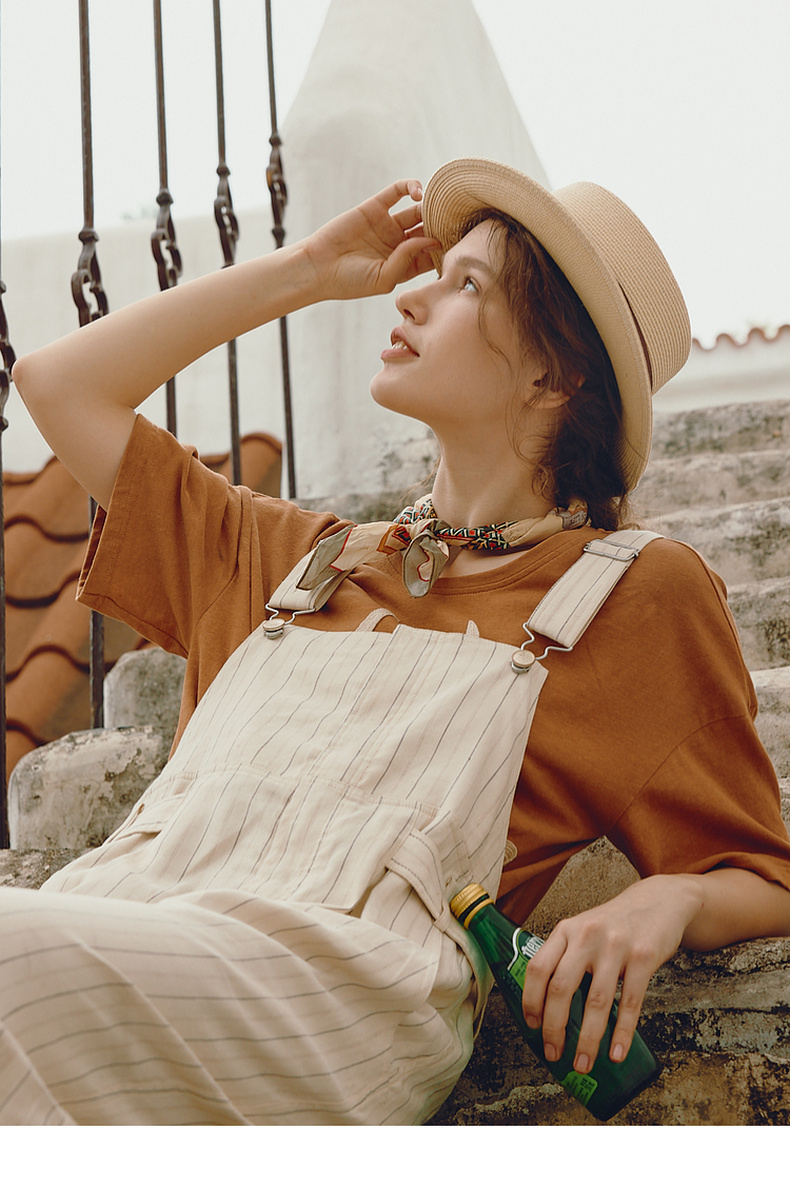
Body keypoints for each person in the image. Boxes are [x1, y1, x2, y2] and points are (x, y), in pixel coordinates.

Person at [7, 157, 790, 1126]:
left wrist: (664, 901)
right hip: (117, 932)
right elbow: (57, 383)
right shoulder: (298, 561)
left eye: (468, 285)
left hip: (332, 1006)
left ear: (555, 375)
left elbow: (762, 872)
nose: (411, 296)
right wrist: (307, 269)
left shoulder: (633, 593)